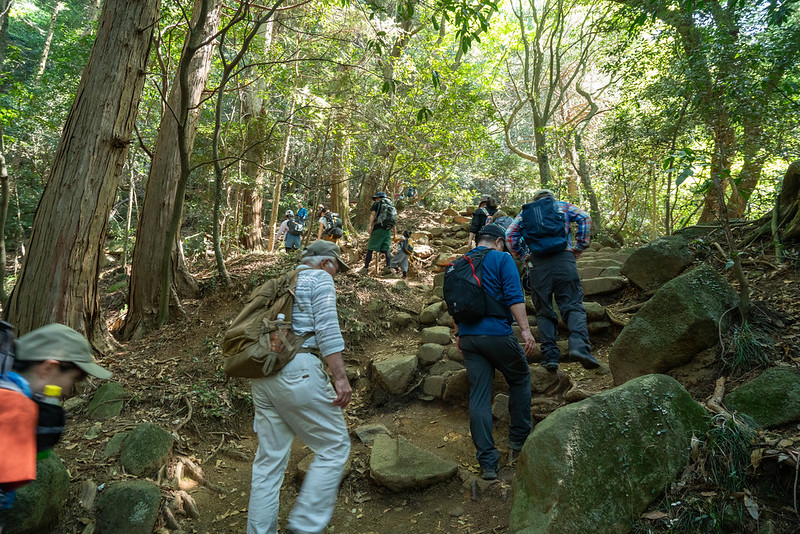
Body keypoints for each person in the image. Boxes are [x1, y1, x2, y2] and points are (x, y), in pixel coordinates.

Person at [247, 240, 352, 534]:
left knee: (269, 461)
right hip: (298, 370)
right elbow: (328, 328)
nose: (335, 275)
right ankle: (305, 527)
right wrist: (340, 377)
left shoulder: (280, 281)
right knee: (334, 446)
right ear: (325, 263)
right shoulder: (319, 279)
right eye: (336, 268)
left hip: (263, 374)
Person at [0, 324, 112, 532]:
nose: (69, 389)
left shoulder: (9, 392)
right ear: (48, 369)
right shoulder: (13, 406)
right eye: (73, 378)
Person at [452, 224, 537, 481]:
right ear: (499, 242)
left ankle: (488, 462)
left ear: (478, 241)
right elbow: (514, 296)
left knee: (479, 395)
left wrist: (458, 334)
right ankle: (518, 440)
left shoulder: (458, 264)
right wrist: (525, 331)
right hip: (497, 335)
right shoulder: (502, 259)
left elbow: (453, 304)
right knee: (520, 377)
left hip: (468, 338)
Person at [506, 189, 600, 372]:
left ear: (535, 201)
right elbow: (585, 218)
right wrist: (579, 247)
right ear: (551, 198)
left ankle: (550, 357)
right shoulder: (562, 206)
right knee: (572, 304)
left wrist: (524, 257)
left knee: (543, 310)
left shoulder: (526, 213)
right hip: (564, 259)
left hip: (538, 265)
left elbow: (510, 236)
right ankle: (580, 346)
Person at [360, 192, 395, 275]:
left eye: (376, 198)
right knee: (386, 250)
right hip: (388, 231)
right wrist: (394, 234)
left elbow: (373, 215)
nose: (375, 200)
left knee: (370, 249)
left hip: (378, 229)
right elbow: (393, 220)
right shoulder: (391, 205)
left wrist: (369, 226)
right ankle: (388, 268)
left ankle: (365, 269)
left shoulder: (377, 203)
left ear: (378, 198)